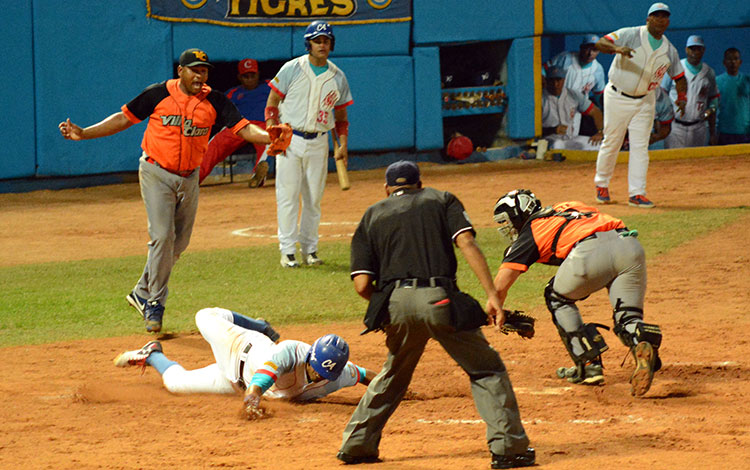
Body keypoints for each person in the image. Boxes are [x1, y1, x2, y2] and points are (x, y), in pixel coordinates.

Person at [58, 49, 281, 333]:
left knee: (178, 244)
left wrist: (269, 137)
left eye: (204, 71)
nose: (201, 75)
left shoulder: (215, 100)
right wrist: (85, 133)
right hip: (156, 172)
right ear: (181, 71)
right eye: (195, 70)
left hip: (190, 179)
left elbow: (244, 129)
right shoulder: (158, 94)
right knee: (162, 237)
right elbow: (123, 118)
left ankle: (141, 291)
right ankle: (154, 302)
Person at [337, 161, 534, 469]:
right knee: (486, 370)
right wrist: (493, 296)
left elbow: (362, 284)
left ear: (387, 189)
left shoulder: (372, 214)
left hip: (396, 305)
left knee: (393, 373)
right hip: (438, 300)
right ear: (419, 183)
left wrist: (391, 305)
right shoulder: (441, 199)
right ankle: (509, 449)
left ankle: (357, 445)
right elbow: (466, 243)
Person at [491, 189, 663, 397]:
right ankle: (642, 343)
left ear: (518, 215)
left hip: (591, 252)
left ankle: (588, 365)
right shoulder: (569, 206)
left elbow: (500, 287)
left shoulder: (531, 230)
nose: (507, 227)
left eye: (507, 221)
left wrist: (496, 312)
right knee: (628, 316)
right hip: (630, 246)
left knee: (556, 296)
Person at [114, 307, 375, 411]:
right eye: (315, 368)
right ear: (310, 356)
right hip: (239, 348)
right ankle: (258, 324)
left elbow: (367, 376)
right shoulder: (290, 352)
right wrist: (252, 399)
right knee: (204, 317)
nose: (318, 375)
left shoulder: (339, 373)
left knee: (175, 384)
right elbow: (263, 379)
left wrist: (399, 387)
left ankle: (152, 354)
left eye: (324, 374)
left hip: (232, 381)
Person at [265, 20, 353, 268]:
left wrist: (342, 145)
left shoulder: (338, 76)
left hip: (319, 142)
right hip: (290, 140)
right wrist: (273, 130)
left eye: (326, 40)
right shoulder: (291, 68)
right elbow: (272, 103)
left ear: (331, 44)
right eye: (317, 40)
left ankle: (310, 250)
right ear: (309, 44)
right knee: (288, 196)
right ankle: (287, 251)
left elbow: (341, 118)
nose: (322, 44)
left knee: (314, 198)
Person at [592, 2, 687, 209]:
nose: (661, 20)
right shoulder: (630, 34)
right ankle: (601, 184)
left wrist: (682, 96)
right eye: (657, 16)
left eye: (665, 16)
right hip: (618, 96)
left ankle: (637, 193)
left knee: (640, 147)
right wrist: (617, 49)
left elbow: (679, 76)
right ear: (648, 19)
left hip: (645, 100)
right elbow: (599, 43)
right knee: (612, 142)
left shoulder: (668, 49)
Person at [199, 58, 274, 187]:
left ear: (258, 74)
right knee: (214, 144)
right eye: (246, 76)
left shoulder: (270, 86)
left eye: (253, 75)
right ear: (239, 77)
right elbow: (216, 110)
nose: (250, 79)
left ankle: (258, 175)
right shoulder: (233, 93)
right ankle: (194, 178)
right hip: (239, 126)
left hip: (263, 125)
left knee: (270, 141)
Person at [661, 35, 720, 148]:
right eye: (692, 48)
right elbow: (662, 94)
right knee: (674, 162)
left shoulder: (709, 72)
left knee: (698, 163)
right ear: (686, 49)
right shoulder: (675, 68)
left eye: (698, 49)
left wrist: (711, 110)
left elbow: (714, 98)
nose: (695, 52)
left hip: (699, 127)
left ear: (703, 50)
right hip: (676, 127)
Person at [545, 34, 607, 134]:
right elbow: (543, 69)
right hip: (553, 105)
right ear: (581, 48)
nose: (590, 53)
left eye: (595, 50)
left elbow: (599, 94)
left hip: (576, 111)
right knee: (550, 137)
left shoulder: (598, 70)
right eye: (587, 49)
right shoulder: (566, 58)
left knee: (570, 140)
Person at [541, 66, 604, 151]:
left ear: (564, 80)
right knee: (557, 145)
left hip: (569, 139)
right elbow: (533, 130)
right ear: (546, 80)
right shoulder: (540, 98)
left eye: (558, 80)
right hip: (548, 140)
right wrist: (553, 130)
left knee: (599, 145)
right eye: (551, 80)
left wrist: (600, 132)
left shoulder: (572, 95)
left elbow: (596, 112)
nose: (555, 84)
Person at [716, 47, 750, 144]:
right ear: (724, 62)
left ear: (740, 62)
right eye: (729, 59)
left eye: (736, 59)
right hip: (724, 132)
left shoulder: (747, 80)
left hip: (745, 132)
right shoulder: (717, 81)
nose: (733, 62)